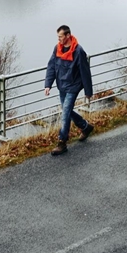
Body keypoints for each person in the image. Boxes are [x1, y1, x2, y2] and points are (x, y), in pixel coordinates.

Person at [44, 25, 94, 155]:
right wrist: (48, 85)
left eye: (60, 37)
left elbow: (85, 72)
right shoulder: (57, 48)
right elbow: (51, 66)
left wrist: (88, 92)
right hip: (62, 85)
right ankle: (85, 127)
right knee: (67, 111)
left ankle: (62, 142)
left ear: (68, 35)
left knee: (65, 113)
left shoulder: (78, 51)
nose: (59, 39)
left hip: (73, 86)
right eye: (58, 37)